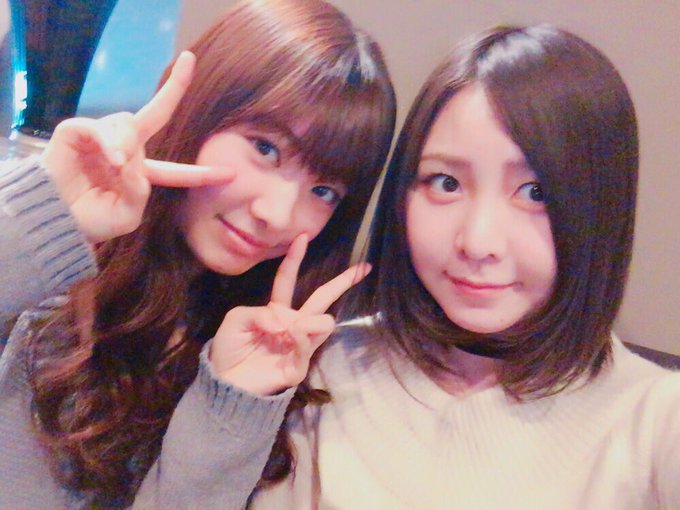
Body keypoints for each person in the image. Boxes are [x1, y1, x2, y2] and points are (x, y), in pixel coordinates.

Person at [238, 25, 679, 508]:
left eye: (535, 193)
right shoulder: (320, 364)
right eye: (446, 183)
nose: (478, 242)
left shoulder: (657, 419)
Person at [0, 0, 395, 508]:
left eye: (324, 191)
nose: (277, 213)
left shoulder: (263, 354)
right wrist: (39, 220)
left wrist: (233, 399)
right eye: (266, 148)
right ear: (200, 109)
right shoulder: (45, 265)